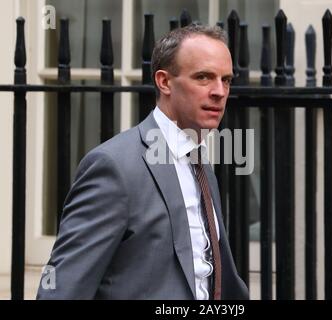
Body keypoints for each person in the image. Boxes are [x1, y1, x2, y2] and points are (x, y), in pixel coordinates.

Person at [37, 24, 249, 300]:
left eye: (226, 80)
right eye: (204, 78)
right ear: (164, 82)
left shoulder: (202, 167)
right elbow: (62, 289)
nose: (219, 91)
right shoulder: (114, 167)